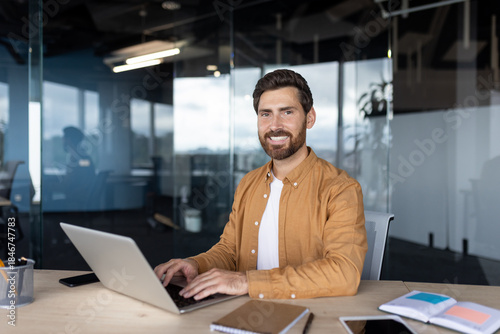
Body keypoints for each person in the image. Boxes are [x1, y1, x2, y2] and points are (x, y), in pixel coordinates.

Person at [154, 69, 367, 300]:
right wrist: (195, 265)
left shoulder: (340, 189)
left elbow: (344, 273)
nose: (275, 125)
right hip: (246, 311)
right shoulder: (248, 183)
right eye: (266, 114)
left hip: (312, 316)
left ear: (310, 118)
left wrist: (247, 282)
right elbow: (229, 252)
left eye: (287, 112)